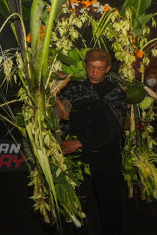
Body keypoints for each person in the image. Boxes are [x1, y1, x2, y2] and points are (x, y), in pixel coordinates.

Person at [59, 49, 127, 234]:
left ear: (108, 69)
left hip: (106, 160)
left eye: (100, 68)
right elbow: (64, 120)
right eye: (91, 67)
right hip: (78, 161)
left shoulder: (114, 92)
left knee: (110, 210)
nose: (95, 72)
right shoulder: (73, 89)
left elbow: (114, 130)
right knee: (76, 208)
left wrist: (81, 143)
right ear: (84, 66)